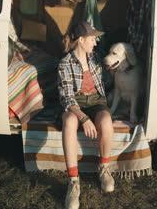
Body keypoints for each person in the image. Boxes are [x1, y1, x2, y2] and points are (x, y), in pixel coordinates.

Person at [57, 21, 114, 209]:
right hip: (76, 103)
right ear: (81, 40)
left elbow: (107, 80)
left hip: (96, 101)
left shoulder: (96, 58)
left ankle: (103, 168)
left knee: (106, 120)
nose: (95, 42)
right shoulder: (65, 63)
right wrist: (84, 118)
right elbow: (66, 98)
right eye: (92, 38)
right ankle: (73, 182)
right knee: (69, 121)